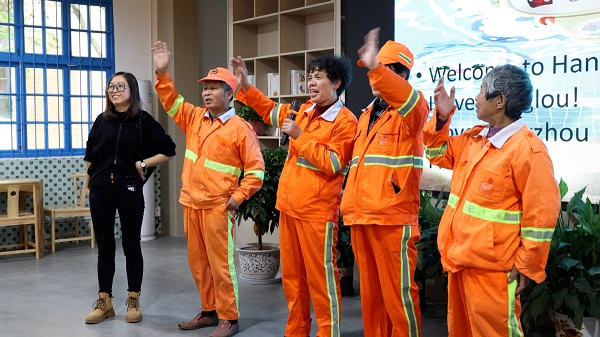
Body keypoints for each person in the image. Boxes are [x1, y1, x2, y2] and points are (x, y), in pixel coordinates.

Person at [424, 64, 560, 336]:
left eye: (481, 90)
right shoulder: (475, 139)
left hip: (495, 273)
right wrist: (441, 116)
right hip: (459, 264)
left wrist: (526, 264)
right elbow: (436, 151)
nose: (475, 97)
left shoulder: (528, 150)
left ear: (500, 101)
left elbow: (542, 215)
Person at [230, 53, 357, 337]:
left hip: (317, 214)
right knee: (293, 281)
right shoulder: (303, 110)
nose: (311, 82)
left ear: (336, 82)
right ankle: (296, 331)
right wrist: (245, 86)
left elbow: (334, 163)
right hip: (289, 209)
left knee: (322, 283)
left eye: (318, 77)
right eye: (309, 77)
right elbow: (269, 110)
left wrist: (300, 135)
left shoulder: (346, 121)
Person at [152, 41, 264, 337]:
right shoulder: (194, 118)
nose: (206, 92)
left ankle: (230, 317)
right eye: (205, 87)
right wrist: (162, 73)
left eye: (214, 88)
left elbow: (256, 171)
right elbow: (171, 101)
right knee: (199, 264)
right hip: (191, 203)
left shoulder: (241, 129)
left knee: (220, 266)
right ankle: (209, 310)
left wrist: (238, 197)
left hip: (217, 206)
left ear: (230, 94)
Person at [339, 28, 429, 337]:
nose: (373, 77)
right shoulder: (366, 116)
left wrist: (376, 68)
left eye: (382, 69)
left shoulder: (414, 110)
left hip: (393, 219)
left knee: (399, 297)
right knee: (372, 296)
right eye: (373, 70)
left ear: (401, 74)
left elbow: (407, 100)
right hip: (362, 216)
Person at [84, 71, 176, 324]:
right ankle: (105, 302)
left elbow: (169, 150)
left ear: (132, 90)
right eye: (111, 86)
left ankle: (133, 299)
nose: (113, 90)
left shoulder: (143, 121)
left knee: (132, 247)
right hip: (101, 190)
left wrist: (143, 163)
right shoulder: (101, 120)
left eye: (120, 86)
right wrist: (87, 187)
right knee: (105, 248)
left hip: (129, 190)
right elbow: (90, 156)